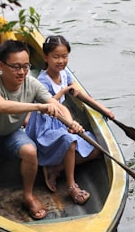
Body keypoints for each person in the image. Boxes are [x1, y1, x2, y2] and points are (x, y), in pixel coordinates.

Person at [0, 39, 79, 221]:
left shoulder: (32, 83)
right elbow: (2, 106)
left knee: (30, 151)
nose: (22, 72)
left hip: (12, 132)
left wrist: (70, 122)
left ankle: (28, 196)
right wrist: (37, 107)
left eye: (26, 66)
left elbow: (53, 103)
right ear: (1, 66)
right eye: (16, 67)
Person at [25, 35, 114, 205]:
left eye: (64, 56)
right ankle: (71, 185)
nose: (61, 61)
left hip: (62, 121)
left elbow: (80, 94)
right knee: (70, 141)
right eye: (56, 57)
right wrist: (65, 92)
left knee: (97, 148)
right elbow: (52, 105)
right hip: (45, 125)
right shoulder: (42, 81)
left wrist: (103, 109)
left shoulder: (65, 74)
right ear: (45, 57)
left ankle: (55, 168)